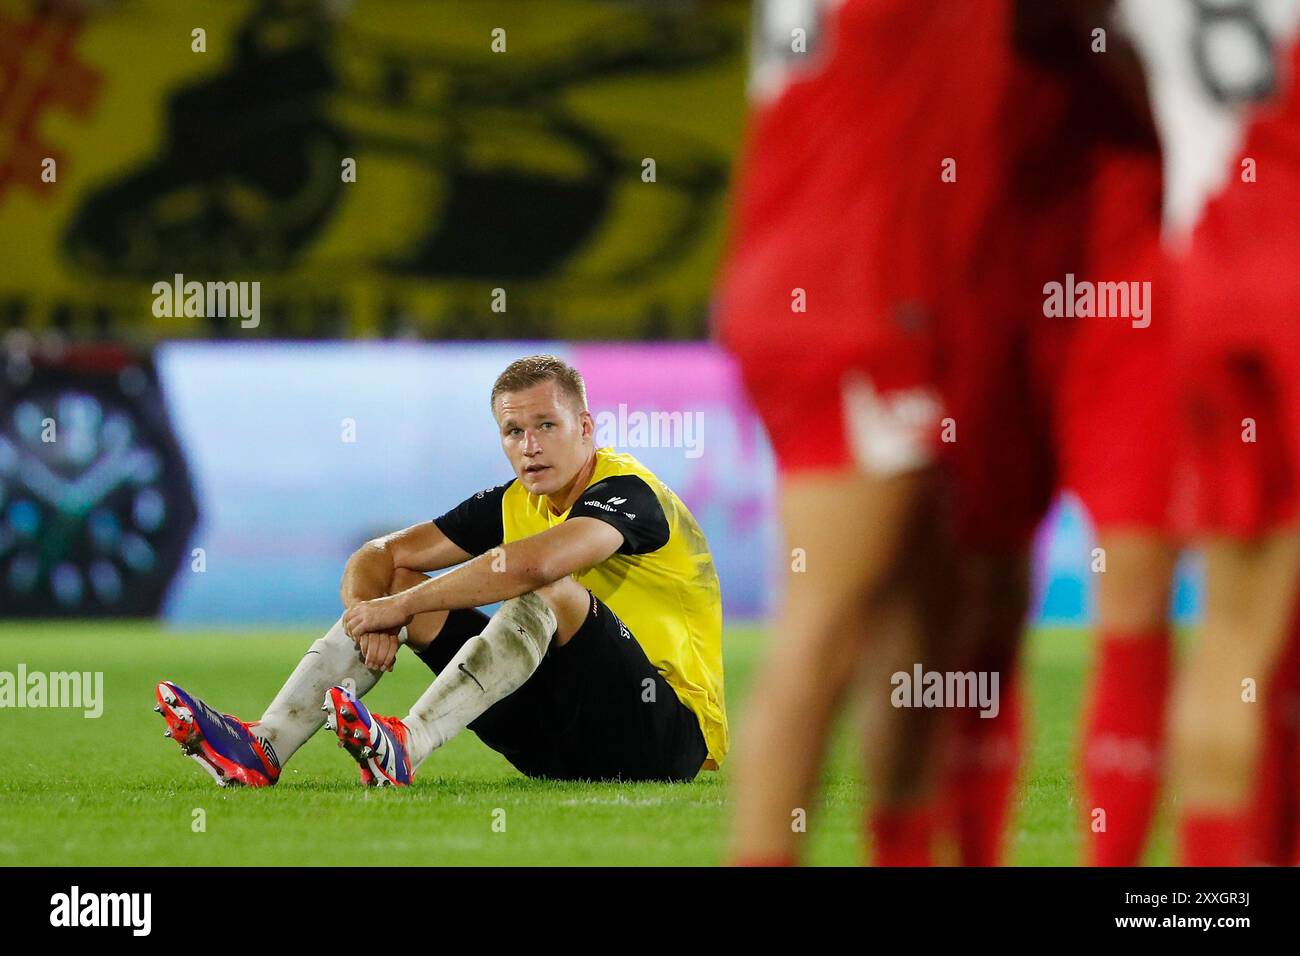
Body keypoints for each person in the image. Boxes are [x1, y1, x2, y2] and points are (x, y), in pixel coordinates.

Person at [154, 354, 727, 787]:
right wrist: (372, 616)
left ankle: (409, 744)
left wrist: (401, 609)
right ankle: (265, 747)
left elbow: (540, 563)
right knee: (402, 583)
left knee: (545, 586)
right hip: (556, 746)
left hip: (663, 737)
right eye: (513, 432)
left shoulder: (632, 493)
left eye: (547, 426)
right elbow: (378, 555)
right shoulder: (510, 502)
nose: (530, 445)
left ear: (585, 427)